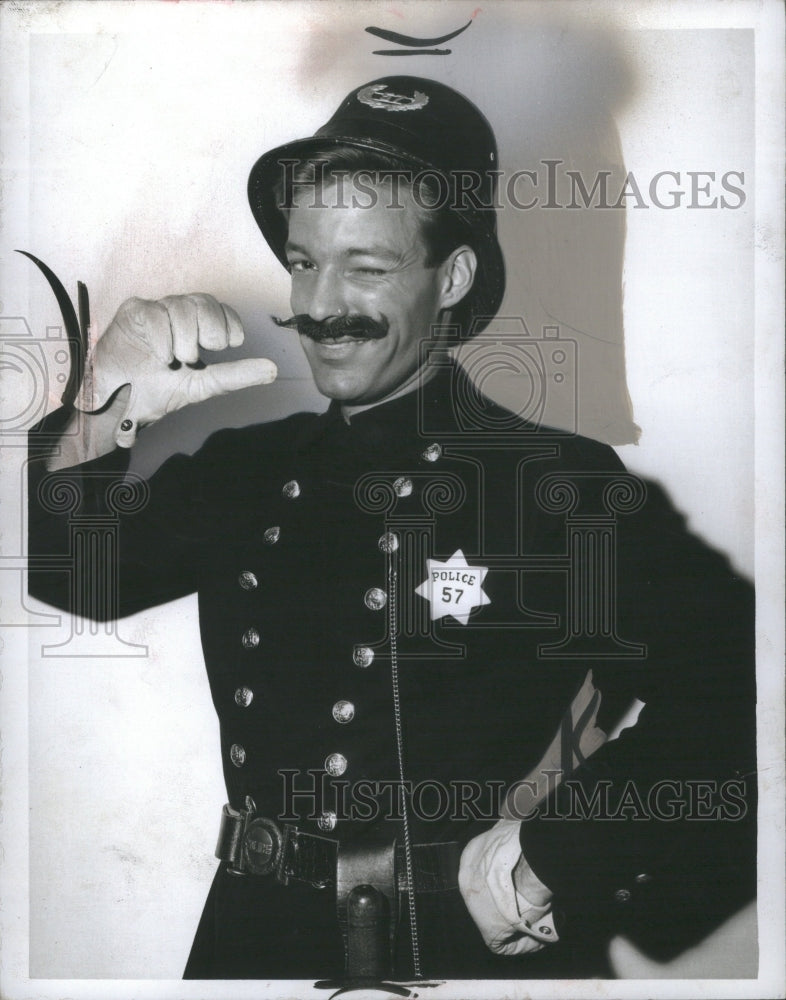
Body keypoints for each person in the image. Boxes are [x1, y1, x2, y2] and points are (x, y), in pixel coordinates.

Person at [28, 76, 756, 983]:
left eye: (366, 268)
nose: (320, 304)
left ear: (450, 277)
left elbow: (741, 697)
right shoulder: (246, 469)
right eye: (302, 261)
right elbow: (65, 575)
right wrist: (103, 408)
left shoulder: (551, 485)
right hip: (252, 940)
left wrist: (555, 856)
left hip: (446, 947)